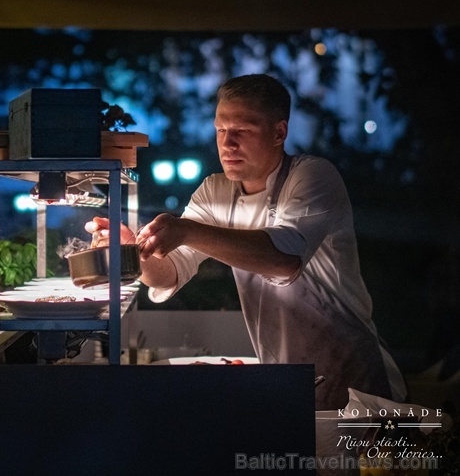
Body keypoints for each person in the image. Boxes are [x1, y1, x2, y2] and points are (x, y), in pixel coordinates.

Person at [88, 74, 406, 410]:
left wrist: (187, 230)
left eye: (244, 130)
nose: (228, 143)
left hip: (358, 383)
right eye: (221, 130)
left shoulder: (312, 176)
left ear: (279, 133)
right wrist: (130, 253)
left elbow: (283, 259)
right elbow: (169, 273)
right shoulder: (214, 192)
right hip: (288, 380)